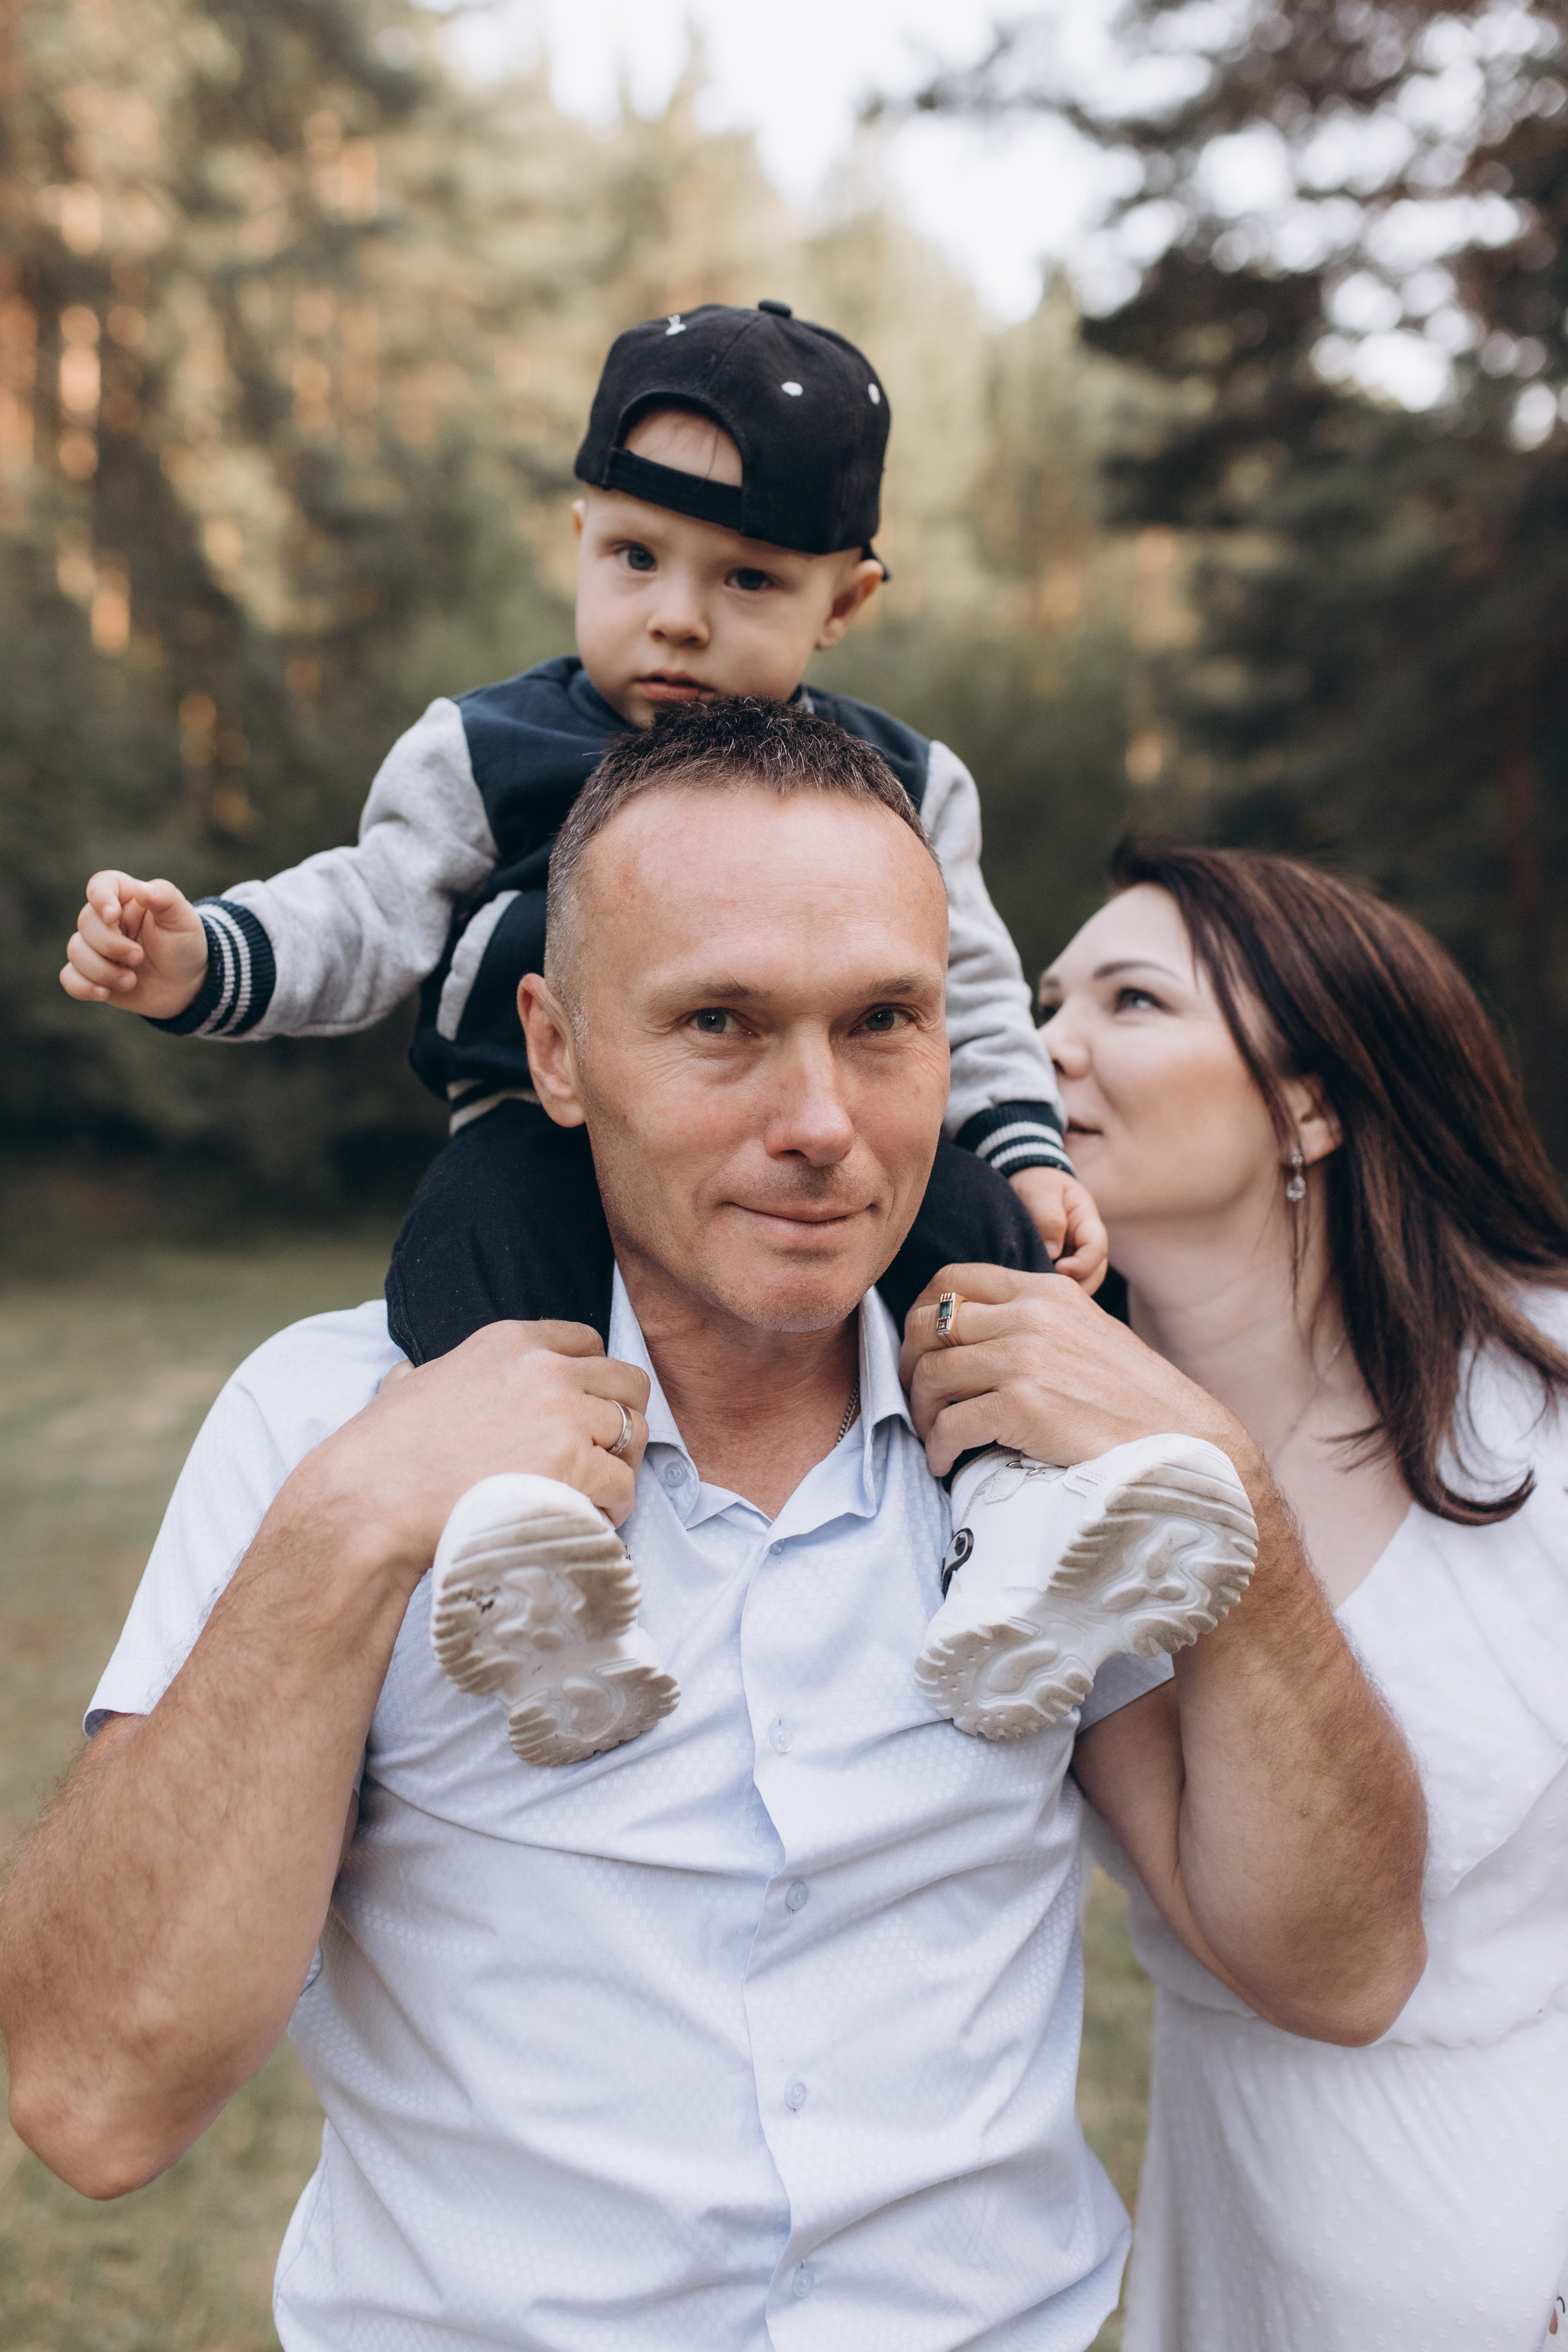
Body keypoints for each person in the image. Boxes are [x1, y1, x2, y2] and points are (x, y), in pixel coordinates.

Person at [2, 712, 1424, 2352]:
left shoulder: (1056, 1443)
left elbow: (1337, 1971)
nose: (821, 1119)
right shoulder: (328, 1420)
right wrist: (352, 1528)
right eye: (722, 1024)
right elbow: (97, 2101)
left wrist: (1235, 1502)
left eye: (882, 1020)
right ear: (554, 1047)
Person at [55, 300, 1109, 1758]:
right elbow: (369, 913)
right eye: (633, 558)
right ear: (578, 540)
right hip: (530, 1135)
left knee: (991, 1251)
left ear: (843, 602)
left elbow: (972, 995)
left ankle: (1021, 1514)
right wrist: (205, 955)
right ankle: (534, 1563)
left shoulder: (895, 785)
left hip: (850, 1154)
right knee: (474, 1275)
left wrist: (1027, 1149)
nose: (676, 614)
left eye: (744, 577)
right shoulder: (490, 750)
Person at [1036, 840, 1568, 2352]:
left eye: (1130, 1000)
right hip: (1250, 2262)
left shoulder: (1541, 1394)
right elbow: (1260, 1942)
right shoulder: (1047, 1482)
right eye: (1038, 1003)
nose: (1046, 1043)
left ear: (1310, 1104)